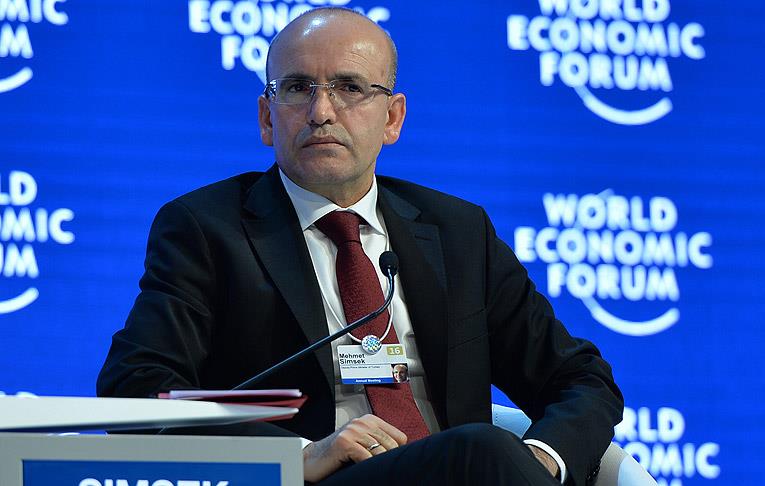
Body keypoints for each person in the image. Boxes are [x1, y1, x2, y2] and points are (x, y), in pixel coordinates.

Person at [97, 7, 623, 485]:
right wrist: (299, 454)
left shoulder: (458, 232)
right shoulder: (206, 229)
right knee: (480, 448)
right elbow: (138, 391)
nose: (321, 111)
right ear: (266, 118)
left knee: (483, 452)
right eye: (298, 87)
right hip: (323, 480)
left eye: (349, 87)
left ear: (392, 118)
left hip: (464, 475)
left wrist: (540, 461)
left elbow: (580, 379)